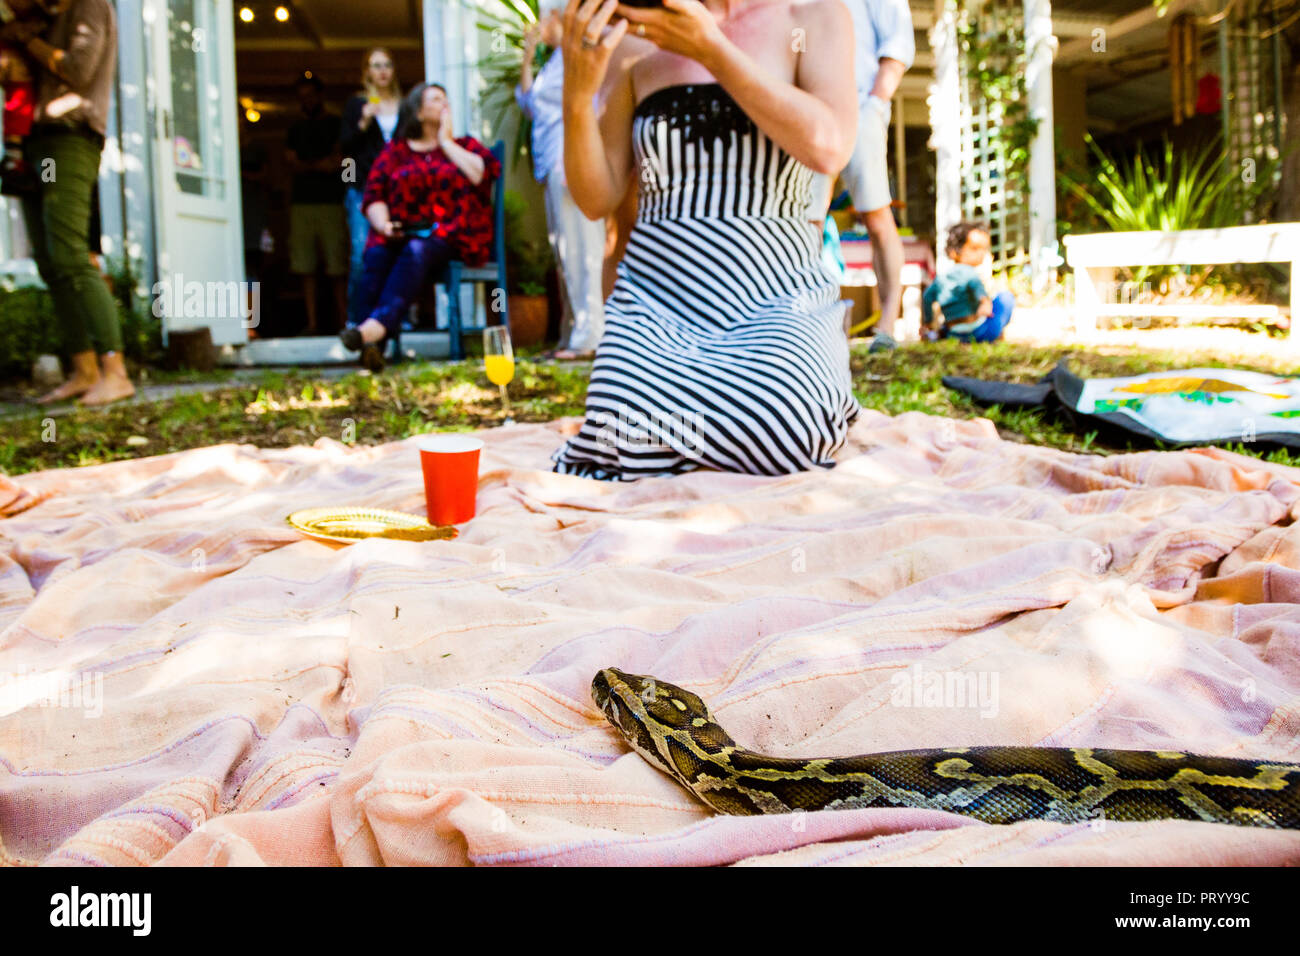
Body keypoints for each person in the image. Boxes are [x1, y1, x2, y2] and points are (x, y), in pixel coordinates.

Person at [552, 0, 861, 480]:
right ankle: (722, 438)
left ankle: (698, 438)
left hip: (778, 302)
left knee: (789, 425)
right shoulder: (633, 37)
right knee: (614, 431)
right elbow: (597, 197)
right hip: (657, 308)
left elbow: (829, 145)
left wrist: (712, 50)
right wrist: (577, 93)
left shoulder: (811, 16)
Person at [6, 0, 129, 405]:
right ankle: (84, 369)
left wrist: (31, 42)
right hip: (36, 142)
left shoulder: (89, 5)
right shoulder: (46, 15)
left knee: (71, 255)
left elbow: (78, 70)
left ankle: (116, 371)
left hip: (70, 138)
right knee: (49, 259)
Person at [339, 82, 500, 372]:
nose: (445, 104)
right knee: (377, 254)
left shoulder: (463, 145)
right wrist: (385, 225)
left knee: (416, 251)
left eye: (446, 99)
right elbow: (374, 195)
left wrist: (446, 142)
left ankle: (370, 331)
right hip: (402, 233)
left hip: (450, 235)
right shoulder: (396, 152)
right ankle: (373, 345)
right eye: (436, 99)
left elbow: (480, 175)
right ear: (418, 111)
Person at [812, 0, 912, 352]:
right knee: (807, 218)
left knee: (876, 214)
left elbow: (897, 45)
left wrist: (875, 103)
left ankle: (887, 324)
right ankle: (809, 322)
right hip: (811, 109)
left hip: (861, 106)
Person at [517, 1, 605, 359]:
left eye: (545, 17)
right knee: (564, 251)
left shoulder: (582, 53)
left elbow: (596, 106)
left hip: (571, 163)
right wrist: (526, 58)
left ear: (560, 17)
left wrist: (581, 162)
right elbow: (530, 104)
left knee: (585, 250)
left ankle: (591, 338)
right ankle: (571, 333)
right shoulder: (554, 62)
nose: (541, 25)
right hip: (551, 163)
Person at [340, 47, 402, 325]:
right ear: (367, 71)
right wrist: (364, 120)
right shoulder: (357, 104)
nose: (382, 71)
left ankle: (392, 316)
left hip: (398, 191)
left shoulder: (405, 104)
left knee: (397, 254)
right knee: (360, 255)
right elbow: (345, 147)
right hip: (363, 187)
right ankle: (357, 319)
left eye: (387, 64)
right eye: (376, 65)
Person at [286, 73, 349, 334]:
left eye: (311, 95)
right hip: (301, 204)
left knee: (338, 266)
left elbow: (341, 160)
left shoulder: (337, 124)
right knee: (305, 267)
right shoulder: (294, 128)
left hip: (332, 202)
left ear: (320, 95)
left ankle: (346, 322)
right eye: (302, 97)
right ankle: (312, 324)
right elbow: (289, 161)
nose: (307, 101)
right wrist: (318, 165)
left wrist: (311, 165)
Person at [922, 221, 1013, 343]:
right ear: (955, 252)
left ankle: (938, 333)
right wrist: (985, 303)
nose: (981, 253)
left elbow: (927, 297)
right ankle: (997, 335)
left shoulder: (941, 278)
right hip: (979, 332)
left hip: (953, 333)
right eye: (975, 248)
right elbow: (980, 293)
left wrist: (928, 322)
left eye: (984, 248)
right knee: (1005, 297)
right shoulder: (970, 273)